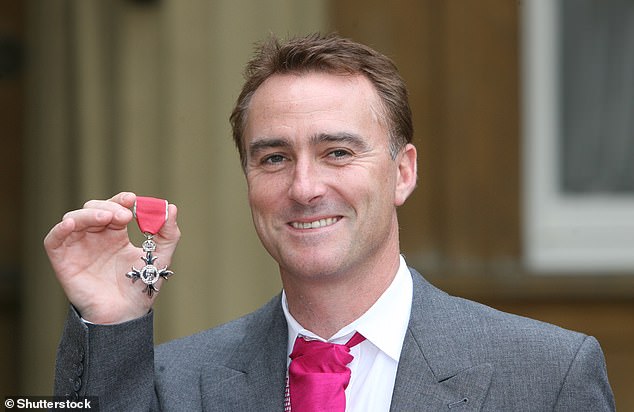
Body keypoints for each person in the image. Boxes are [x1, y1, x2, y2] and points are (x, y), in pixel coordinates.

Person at [45, 33, 615, 411]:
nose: (304, 187)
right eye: (274, 158)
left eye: (338, 152)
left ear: (403, 172)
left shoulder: (548, 376)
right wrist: (115, 321)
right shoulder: (175, 383)